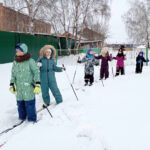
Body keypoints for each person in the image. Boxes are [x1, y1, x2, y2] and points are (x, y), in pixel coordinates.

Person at [9, 43, 41, 122]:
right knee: (20, 104)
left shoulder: (30, 61)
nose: (17, 52)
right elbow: (13, 74)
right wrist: (12, 84)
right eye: (16, 51)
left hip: (28, 87)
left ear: (24, 51)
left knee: (29, 104)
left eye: (19, 51)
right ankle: (22, 118)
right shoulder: (15, 62)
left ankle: (31, 119)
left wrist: (37, 84)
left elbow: (36, 72)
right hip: (19, 88)